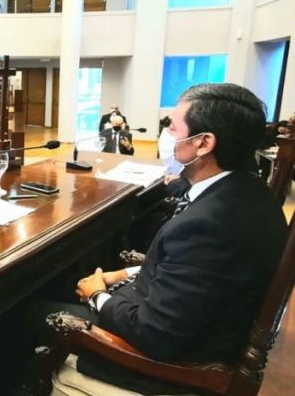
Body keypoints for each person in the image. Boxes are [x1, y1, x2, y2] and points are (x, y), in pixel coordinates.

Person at [29, 83, 289, 394]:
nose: (166, 134)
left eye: (173, 127)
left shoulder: (211, 225)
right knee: (61, 285)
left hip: (167, 367)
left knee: (26, 313)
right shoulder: (248, 192)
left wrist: (97, 295)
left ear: (203, 143)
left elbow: (155, 335)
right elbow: (195, 271)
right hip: (186, 320)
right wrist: (124, 273)